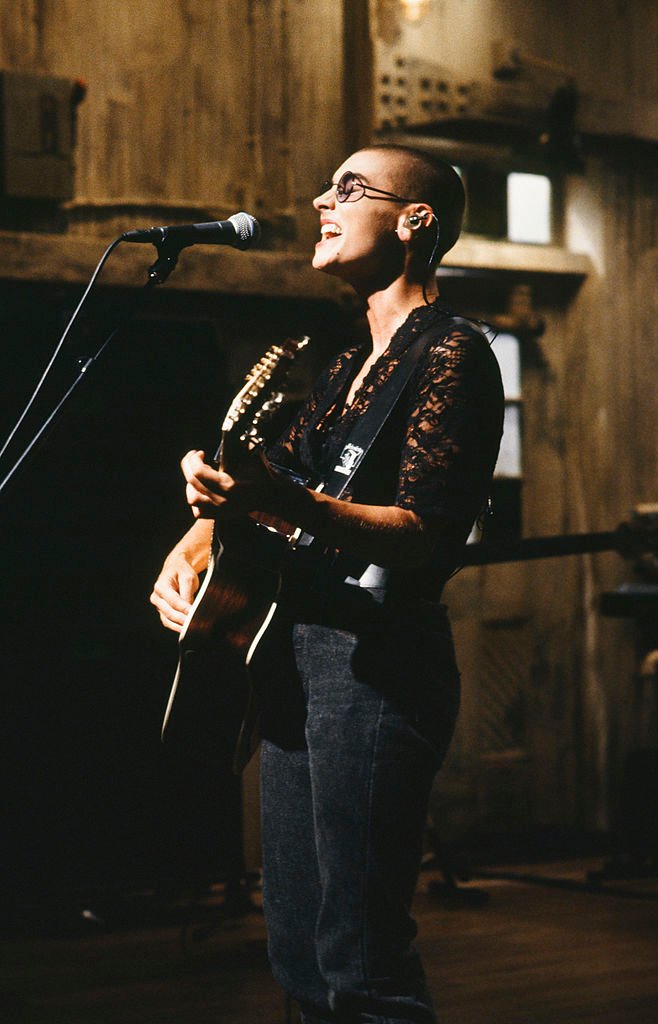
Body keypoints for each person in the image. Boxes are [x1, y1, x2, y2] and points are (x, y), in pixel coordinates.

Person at [150, 144, 504, 1024]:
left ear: (414, 222)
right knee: (299, 951)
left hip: (379, 663)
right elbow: (271, 483)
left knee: (361, 959)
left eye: (348, 189)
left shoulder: (453, 354)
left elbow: (425, 533)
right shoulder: (347, 366)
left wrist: (287, 502)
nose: (320, 200)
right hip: (299, 660)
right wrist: (202, 527)